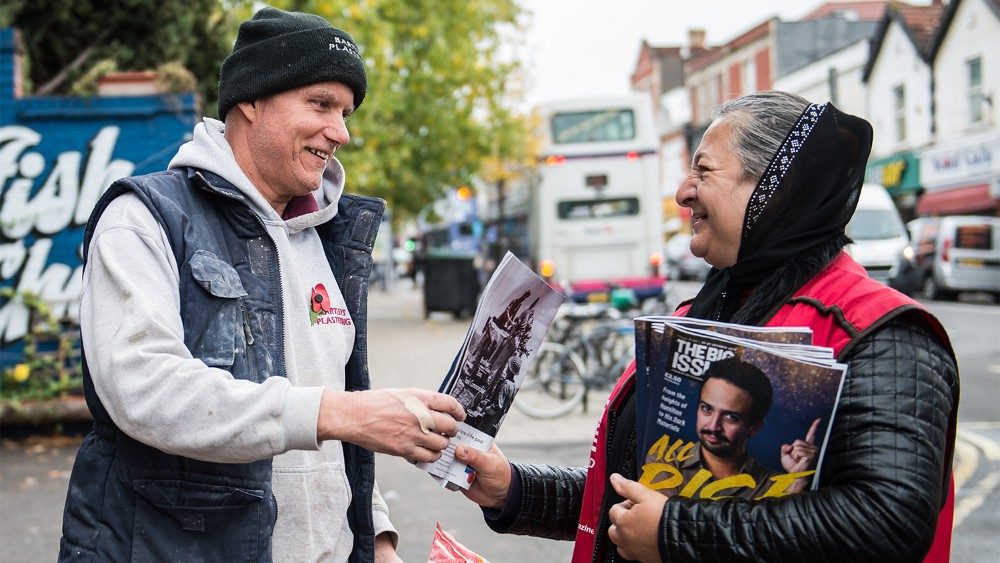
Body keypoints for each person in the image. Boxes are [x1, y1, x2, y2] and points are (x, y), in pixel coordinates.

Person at [455, 91, 959, 562]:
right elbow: (637, 493)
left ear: (773, 189)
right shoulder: (700, 314)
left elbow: (888, 519)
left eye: (703, 171)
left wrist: (676, 533)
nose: (682, 193)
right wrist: (516, 488)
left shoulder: (881, 333)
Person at [58, 7, 465, 562]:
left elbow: (329, 435)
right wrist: (340, 413)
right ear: (249, 100)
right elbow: (143, 388)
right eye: (320, 104)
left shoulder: (325, 239)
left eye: (345, 112)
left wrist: (379, 539)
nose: (341, 133)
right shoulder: (144, 217)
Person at [642, 357, 818, 500]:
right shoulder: (665, 461)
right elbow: (655, 530)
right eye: (707, 409)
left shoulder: (774, 485)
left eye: (730, 417)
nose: (713, 426)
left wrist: (797, 480)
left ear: (754, 427)